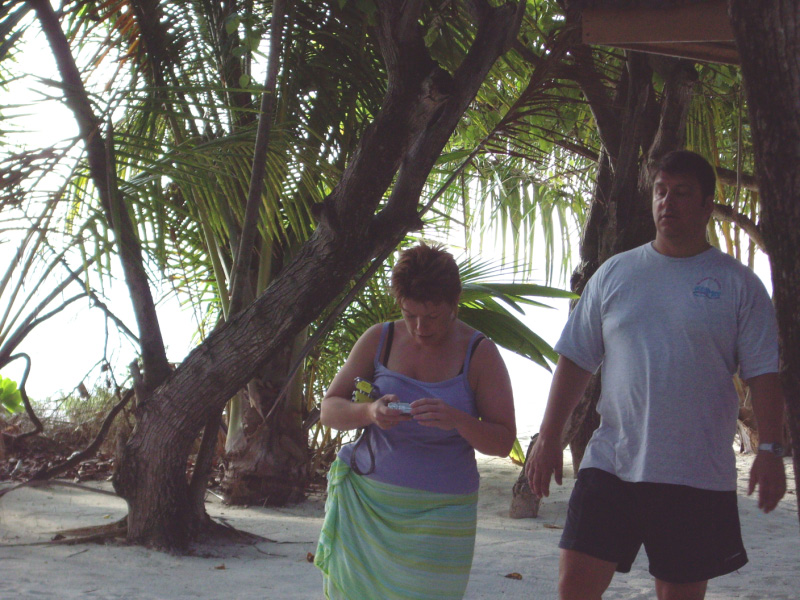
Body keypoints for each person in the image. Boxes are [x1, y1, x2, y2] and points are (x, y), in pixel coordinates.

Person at [525, 150, 787, 600]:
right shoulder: (615, 273)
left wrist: (768, 449)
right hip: (611, 461)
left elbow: (764, 373)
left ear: (708, 205)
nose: (667, 202)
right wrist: (549, 437)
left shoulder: (738, 284)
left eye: (681, 193)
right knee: (575, 585)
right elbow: (575, 360)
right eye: (660, 192)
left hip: (694, 471)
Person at [314, 242, 516, 600]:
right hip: (367, 506)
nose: (420, 328)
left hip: (442, 516)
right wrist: (369, 412)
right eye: (410, 315)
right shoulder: (380, 338)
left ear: (455, 304)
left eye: (433, 316)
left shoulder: (480, 353)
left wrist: (456, 419)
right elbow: (329, 408)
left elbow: (502, 442)